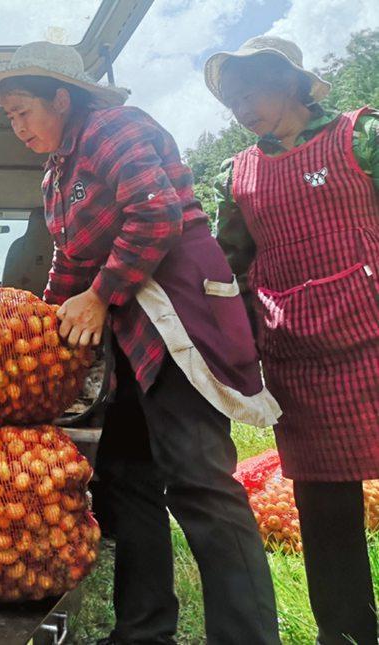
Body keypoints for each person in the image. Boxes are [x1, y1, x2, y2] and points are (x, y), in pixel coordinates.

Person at [0, 41, 282, 644]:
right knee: (125, 477)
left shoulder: (113, 127)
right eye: (9, 116)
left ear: (64, 98)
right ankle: (144, 630)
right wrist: (42, 322)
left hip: (175, 315)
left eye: (25, 110)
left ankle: (247, 637)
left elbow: (156, 213)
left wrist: (99, 293)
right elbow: (69, 259)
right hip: (127, 331)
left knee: (196, 478)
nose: (18, 126)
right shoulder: (58, 169)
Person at [205, 35, 379, 645]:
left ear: (289, 82)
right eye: (231, 99)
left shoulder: (363, 138)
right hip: (296, 350)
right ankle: (348, 634)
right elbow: (233, 262)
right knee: (323, 503)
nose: (242, 106)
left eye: (251, 90)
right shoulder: (238, 173)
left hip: (374, 334)